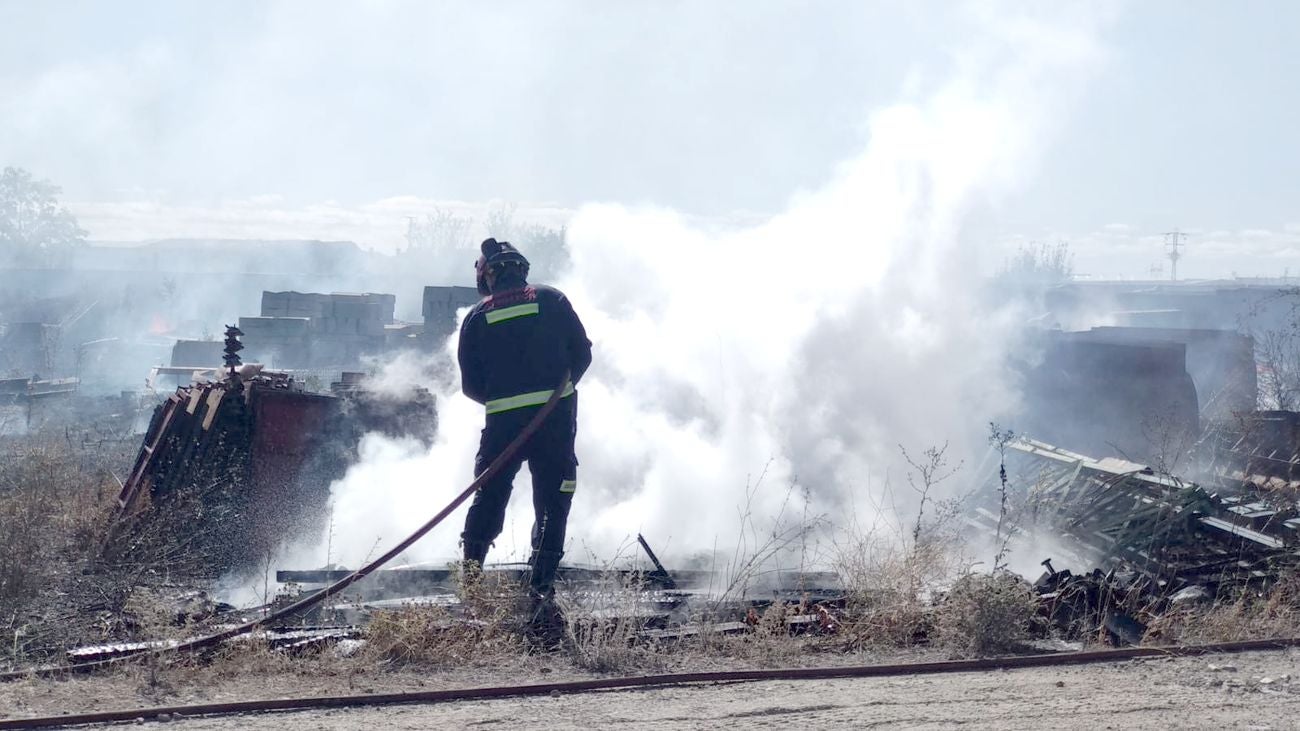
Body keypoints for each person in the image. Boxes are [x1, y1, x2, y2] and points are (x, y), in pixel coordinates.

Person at [457, 237, 592, 627]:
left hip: (503, 428)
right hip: (554, 425)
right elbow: (581, 354)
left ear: (489, 274)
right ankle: (540, 593)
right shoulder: (554, 301)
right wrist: (556, 397)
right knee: (554, 501)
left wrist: (507, 404)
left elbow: (470, 385)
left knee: (489, 496)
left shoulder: (477, 317)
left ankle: (470, 587)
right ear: (521, 268)